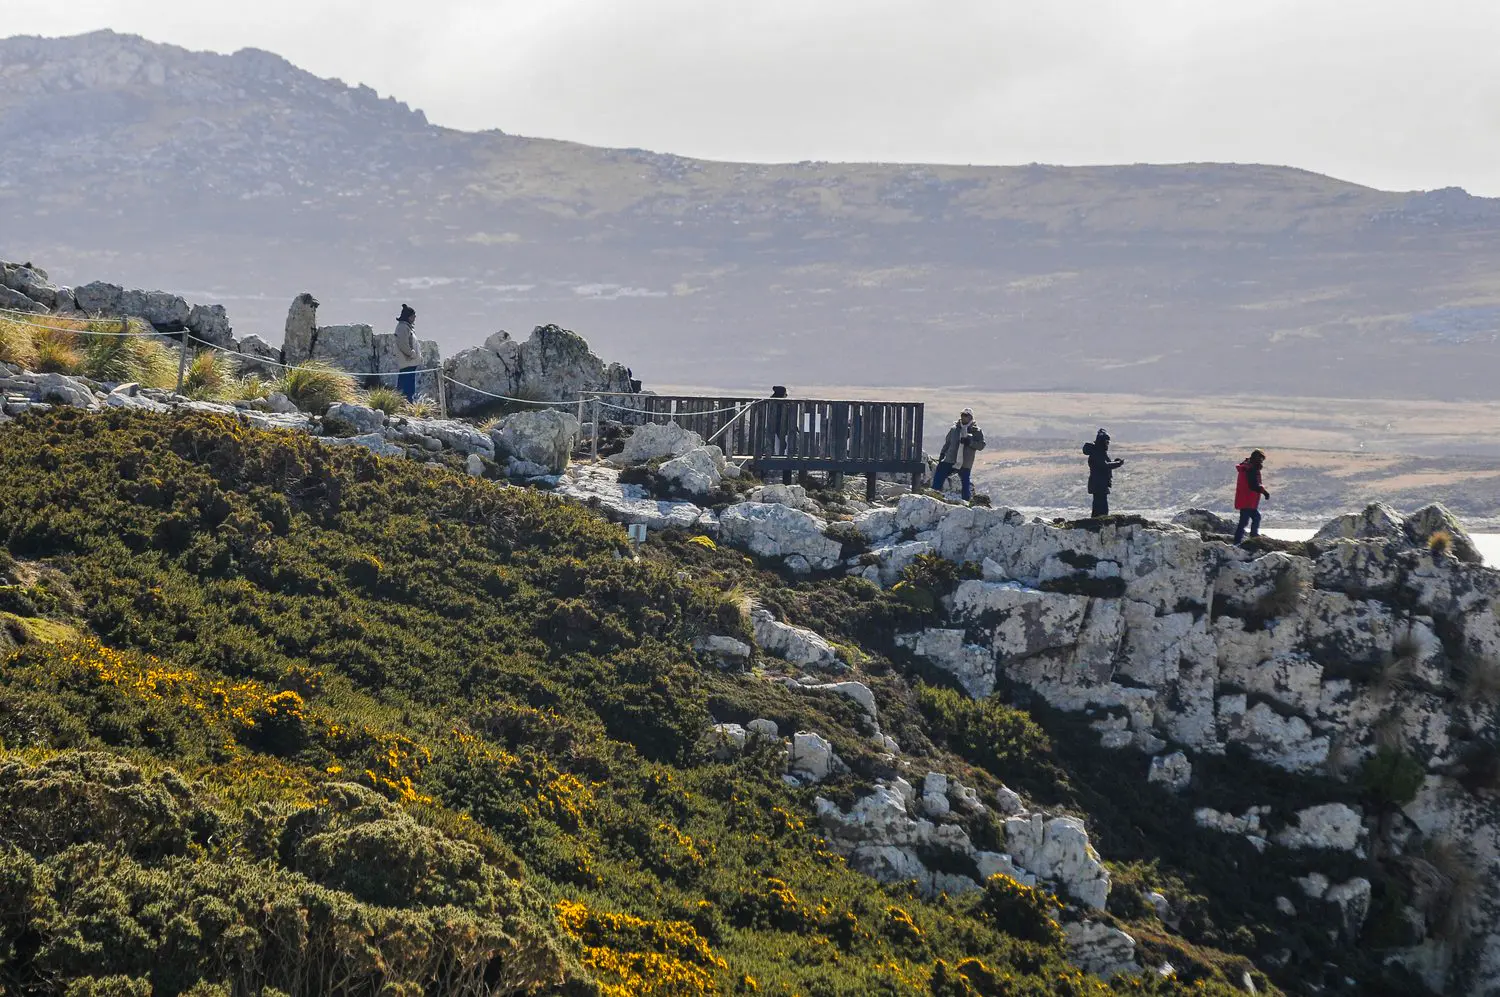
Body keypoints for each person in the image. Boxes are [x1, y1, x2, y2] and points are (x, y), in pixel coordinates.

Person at [932, 408, 985, 501]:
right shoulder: (954, 429)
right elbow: (947, 442)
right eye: (962, 415)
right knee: (939, 474)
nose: (964, 417)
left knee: (965, 482)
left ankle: (966, 501)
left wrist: (970, 442)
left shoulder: (976, 431)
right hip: (950, 459)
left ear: (971, 417)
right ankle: (934, 495)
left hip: (965, 462)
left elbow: (981, 445)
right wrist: (942, 454)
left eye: (966, 415)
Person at [1082, 428, 1124, 518]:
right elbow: (1104, 465)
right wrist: (1117, 463)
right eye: (1107, 442)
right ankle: (1098, 523)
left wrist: (1115, 462)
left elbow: (1104, 464)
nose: (1108, 444)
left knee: (1100, 505)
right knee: (1101, 506)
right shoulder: (1097, 453)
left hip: (1100, 483)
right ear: (1102, 442)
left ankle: (1098, 522)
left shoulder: (1098, 452)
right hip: (1098, 484)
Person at [1234, 449, 1271, 544]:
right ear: (1256, 458)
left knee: (1253, 518)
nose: (1261, 462)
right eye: (1261, 459)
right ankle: (1242, 540)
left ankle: (1250, 538)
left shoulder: (1247, 467)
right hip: (1247, 500)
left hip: (1246, 499)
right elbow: (1253, 485)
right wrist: (1264, 492)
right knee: (1245, 521)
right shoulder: (1250, 469)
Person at [395, 304, 419, 401]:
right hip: (407, 361)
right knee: (406, 385)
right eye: (413, 315)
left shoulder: (407, 327)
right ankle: (404, 403)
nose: (415, 317)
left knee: (409, 384)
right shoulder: (403, 328)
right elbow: (402, 343)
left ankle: (407, 402)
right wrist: (411, 353)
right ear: (408, 317)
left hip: (409, 362)